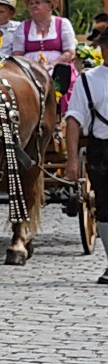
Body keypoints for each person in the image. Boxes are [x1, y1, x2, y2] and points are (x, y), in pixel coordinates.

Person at [64, 27, 108, 285]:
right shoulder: (88, 79)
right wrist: (71, 160)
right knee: (104, 207)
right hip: (101, 148)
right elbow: (74, 120)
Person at [5, 0, 76, 98]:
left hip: (58, 69)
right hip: (30, 71)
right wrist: (31, 67)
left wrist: (52, 66)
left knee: (64, 83)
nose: (33, 6)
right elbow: (17, 54)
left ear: (50, 6)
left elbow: (70, 52)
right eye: (31, 4)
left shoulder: (62, 24)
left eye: (37, 2)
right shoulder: (24, 27)